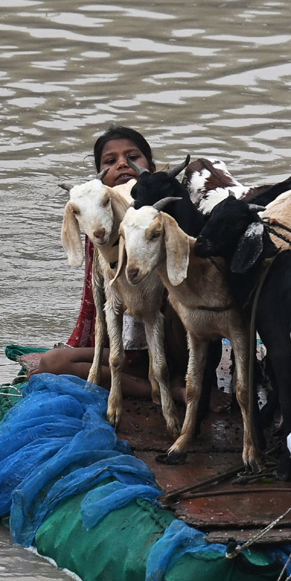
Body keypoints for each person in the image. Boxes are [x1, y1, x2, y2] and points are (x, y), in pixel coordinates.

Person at [32, 126, 172, 399]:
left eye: (133, 157)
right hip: (127, 344)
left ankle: (171, 390)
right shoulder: (99, 226)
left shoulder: (161, 217)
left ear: (151, 169)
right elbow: (94, 300)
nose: (123, 164)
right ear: (100, 183)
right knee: (50, 365)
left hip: (169, 339)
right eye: (111, 161)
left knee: (52, 364)